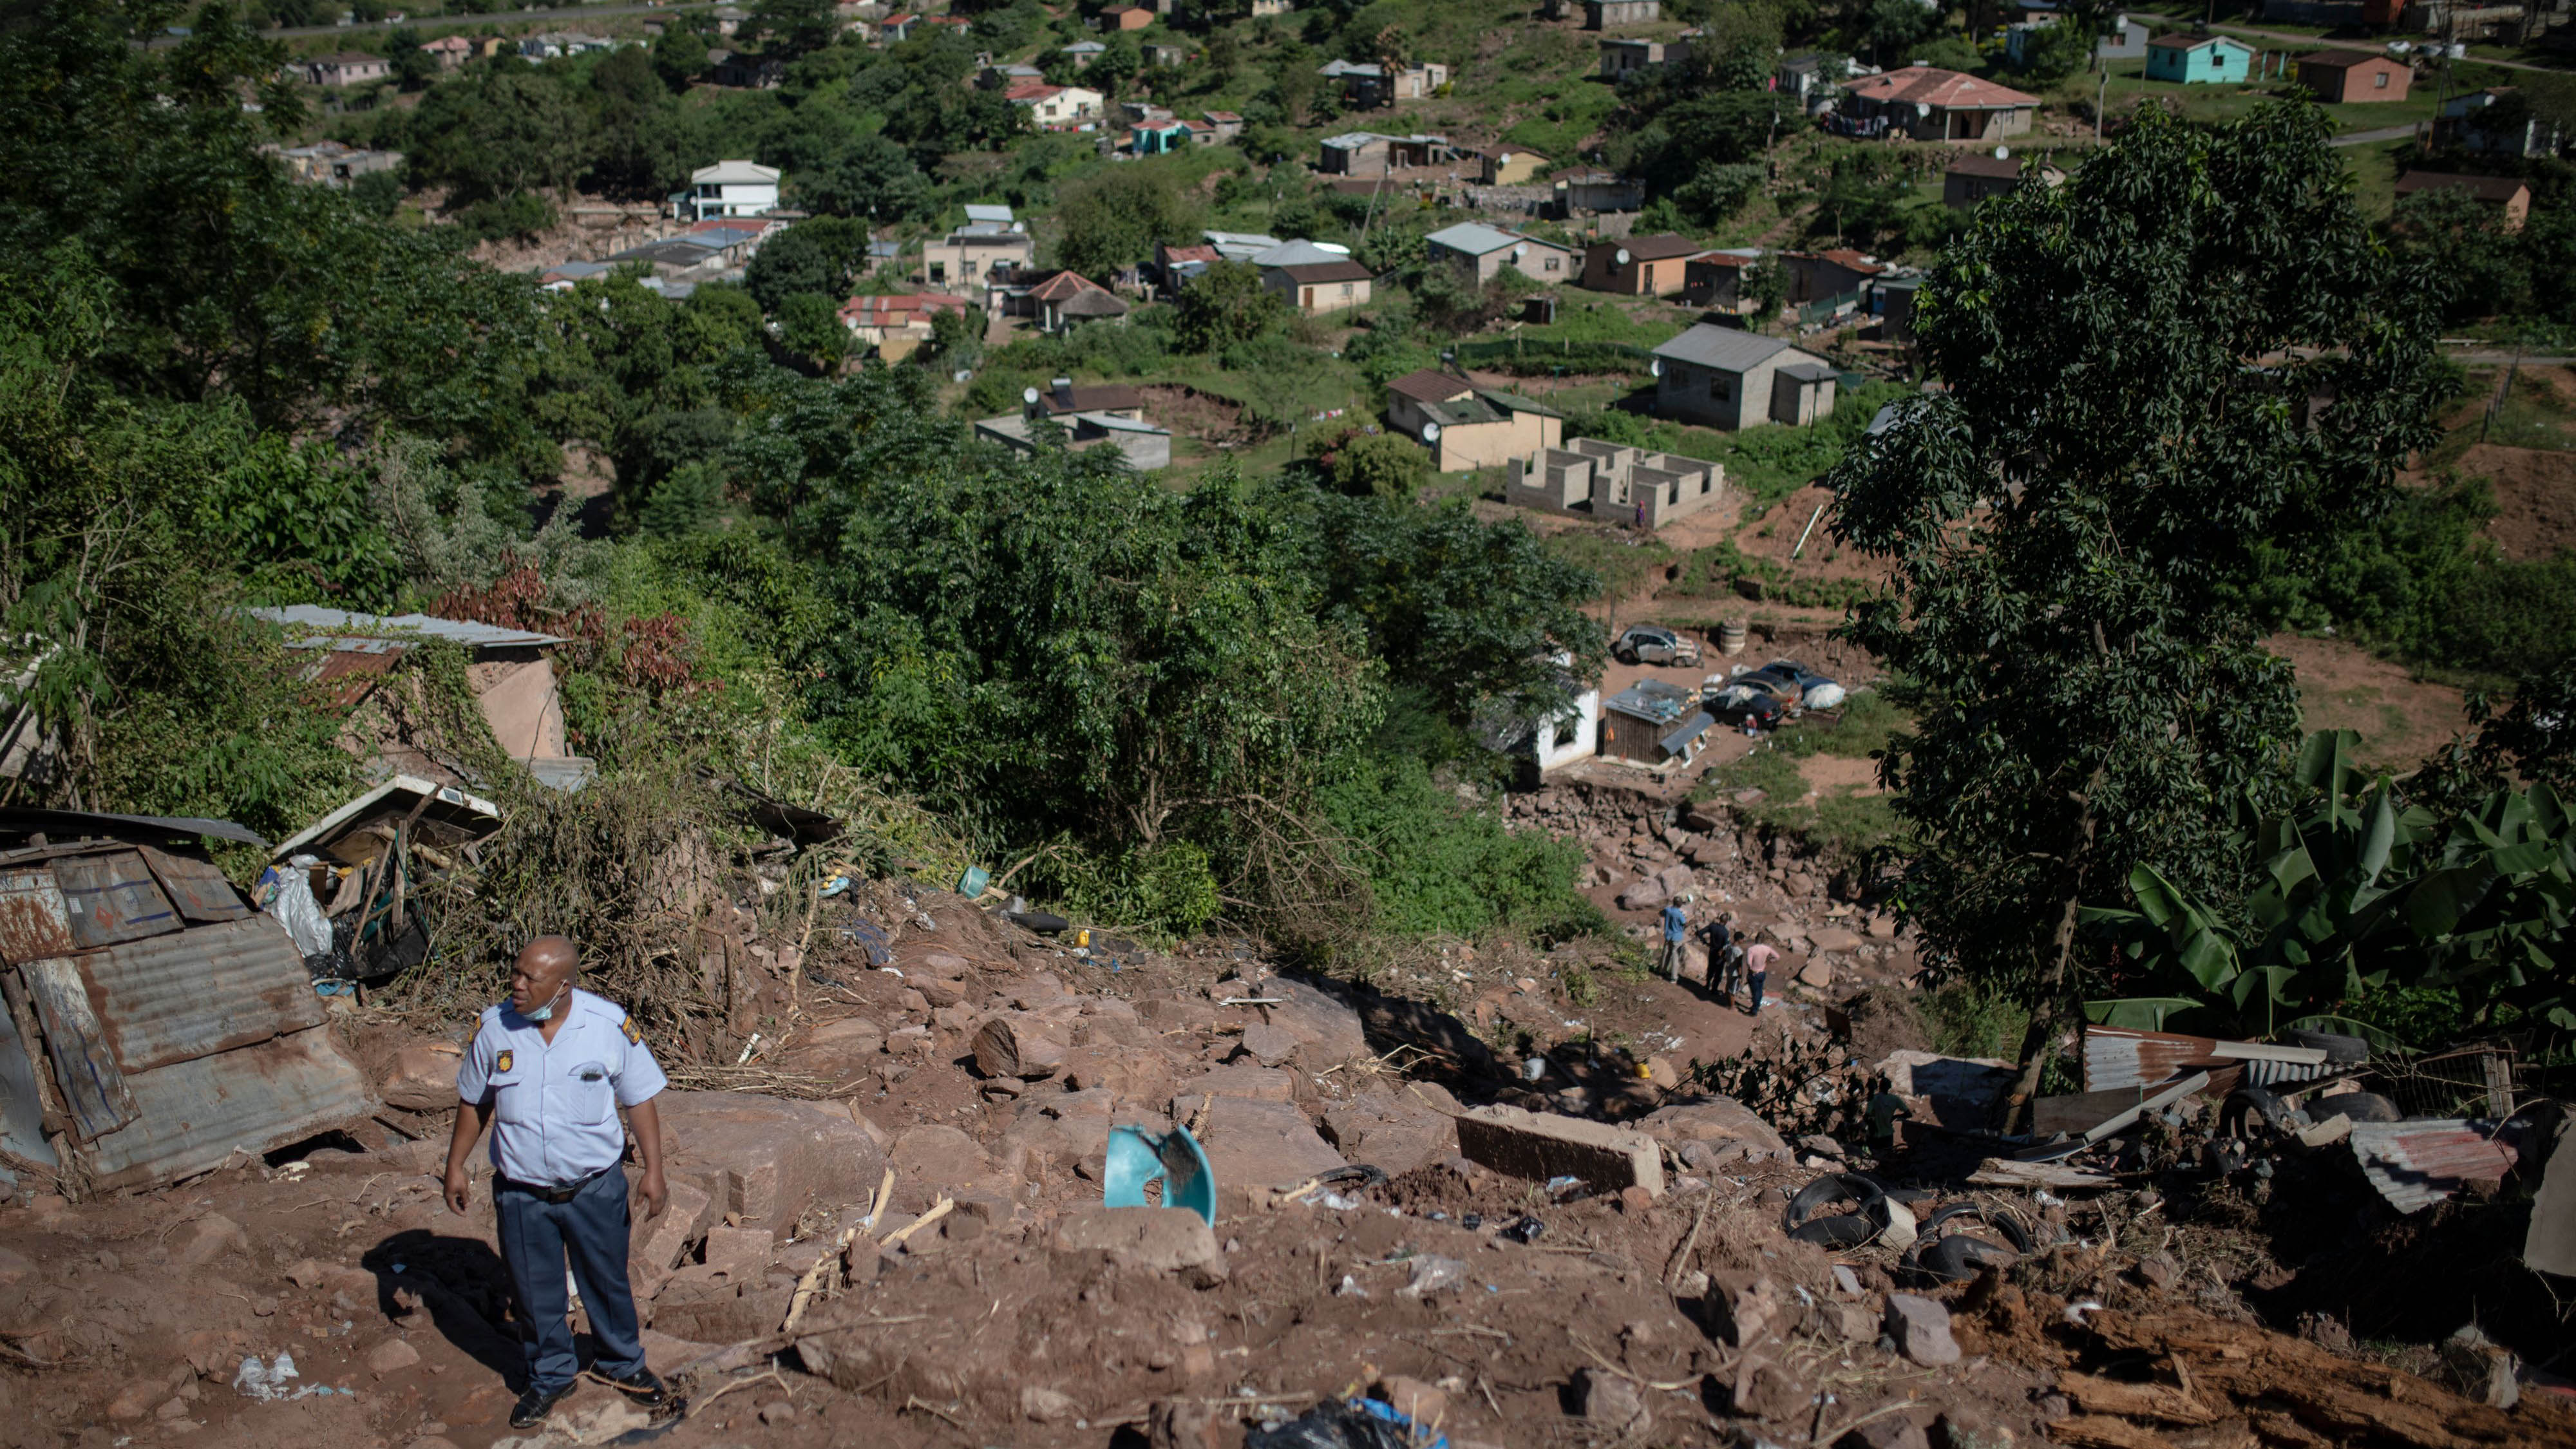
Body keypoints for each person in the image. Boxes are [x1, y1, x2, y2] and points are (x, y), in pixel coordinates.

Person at [444, 937, 672, 1430]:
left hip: (594, 1187)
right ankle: (550, 1375)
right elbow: (474, 1101)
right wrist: (456, 1165)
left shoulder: (607, 1026)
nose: (516, 984)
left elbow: (639, 1099)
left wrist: (654, 1170)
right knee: (532, 1289)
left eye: (531, 978)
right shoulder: (494, 1028)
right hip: (522, 1192)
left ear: (563, 986)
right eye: (516, 972)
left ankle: (622, 1364)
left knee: (606, 1280)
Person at [1701, 913, 1737, 1000]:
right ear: (1726, 922)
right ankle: (1714, 990)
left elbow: (1700, 932)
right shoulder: (1725, 932)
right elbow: (1726, 945)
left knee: (1710, 968)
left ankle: (1707, 984)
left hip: (1712, 951)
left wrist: (1705, 942)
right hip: (1720, 955)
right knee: (1718, 972)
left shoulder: (1713, 926)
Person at [1658, 895, 1690, 982]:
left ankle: (1662, 971)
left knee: (1666, 953)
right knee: (1675, 956)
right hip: (1677, 937)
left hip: (1668, 935)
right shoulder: (1679, 914)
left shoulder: (1668, 910)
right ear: (1679, 904)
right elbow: (1685, 924)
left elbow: (1661, 913)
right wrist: (1689, 921)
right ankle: (1673, 977)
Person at [1742, 940, 1776, 1015]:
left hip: (1754, 973)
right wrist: (1769, 961)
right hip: (1762, 973)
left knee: (1755, 993)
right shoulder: (1767, 949)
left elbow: (1748, 962)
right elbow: (1777, 957)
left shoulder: (1752, 949)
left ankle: (1754, 1010)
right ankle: (1756, 1007)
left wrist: (1751, 968)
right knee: (1760, 991)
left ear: (1756, 939)